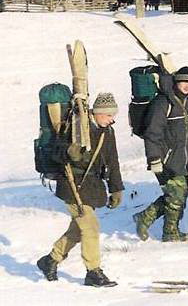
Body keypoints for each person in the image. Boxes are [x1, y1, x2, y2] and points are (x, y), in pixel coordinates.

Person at [37, 93, 124, 287]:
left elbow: (113, 161)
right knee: (91, 227)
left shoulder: (108, 132)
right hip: (72, 185)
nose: (112, 119)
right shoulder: (76, 125)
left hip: (91, 187)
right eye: (109, 115)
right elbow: (56, 151)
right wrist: (69, 151)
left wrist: (116, 189)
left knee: (78, 230)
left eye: (113, 115)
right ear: (98, 112)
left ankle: (50, 260)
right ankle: (93, 271)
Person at [133, 66, 188, 242]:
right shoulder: (163, 103)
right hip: (166, 159)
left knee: (177, 197)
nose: (187, 86)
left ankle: (145, 218)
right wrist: (154, 159)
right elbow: (152, 133)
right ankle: (169, 232)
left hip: (183, 159)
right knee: (176, 197)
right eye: (184, 81)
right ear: (177, 81)